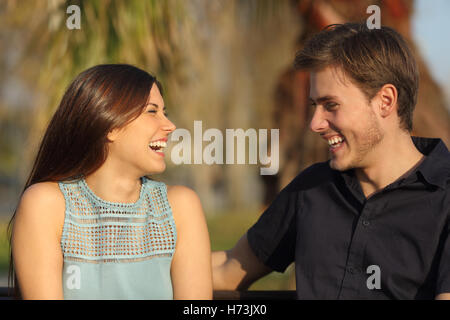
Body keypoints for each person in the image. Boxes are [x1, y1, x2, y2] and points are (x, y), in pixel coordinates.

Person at [212, 23, 450, 300]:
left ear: (385, 101)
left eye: (331, 105)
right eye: (315, 106)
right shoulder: (310, 188)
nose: (314, 124)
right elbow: (228, 269)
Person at [9, 64, 212, 299]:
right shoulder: (46, 205)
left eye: (165, 112)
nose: (169, 125)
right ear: (111, 125)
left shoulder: (180, 207)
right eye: (152, 111)